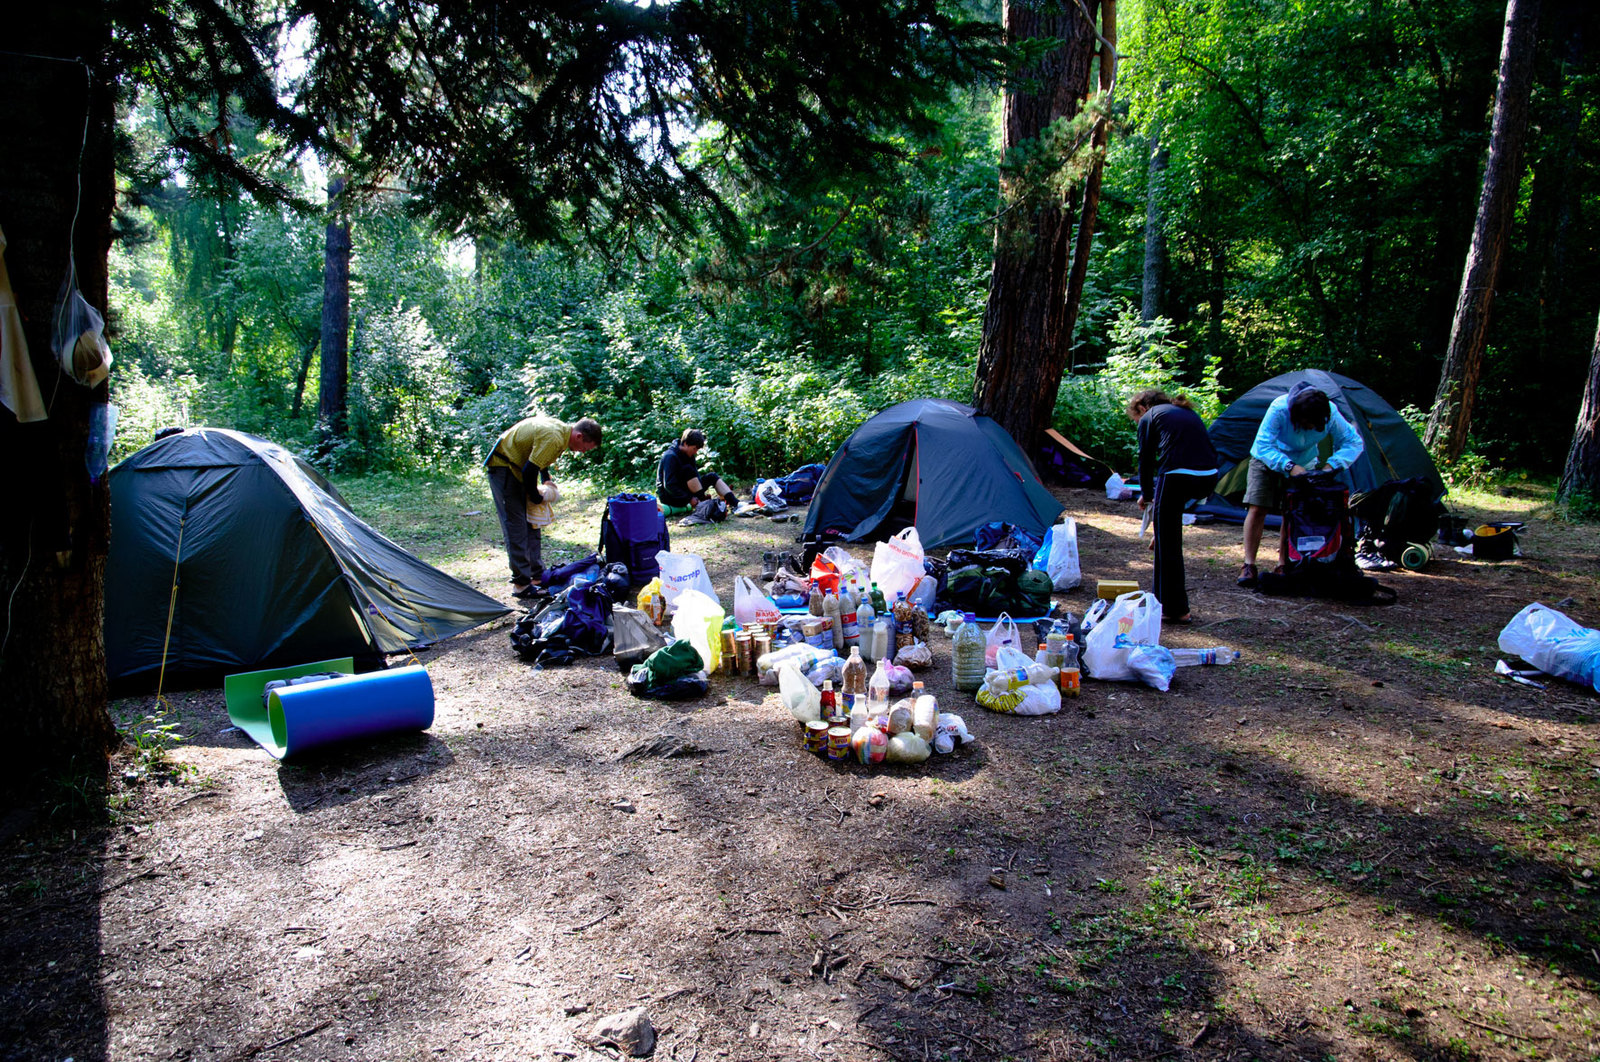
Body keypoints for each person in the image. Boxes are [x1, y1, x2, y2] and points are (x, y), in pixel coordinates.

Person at [1238, 381, 1363, 586]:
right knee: (1258, 507)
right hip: (1268, 459)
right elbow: (1263, 444)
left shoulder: (1330, 412)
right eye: (1306, 422)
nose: (1310, 427)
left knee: (1294, 512)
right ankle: (1249, 565)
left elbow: (1353, 442)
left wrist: (1331, 466)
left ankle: (1284, 563)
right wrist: (1288, 466)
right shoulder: (1279, 409)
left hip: (1305, 463)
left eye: (1314, 423)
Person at [485, 415, 602, 599]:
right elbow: (529, 470)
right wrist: (535, 496)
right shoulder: (555, 437)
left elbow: (538, 458)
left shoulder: (562, 432)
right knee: (516, 526)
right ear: (579, 436)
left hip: (518, 468)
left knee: (532, 523)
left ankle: (536, 576)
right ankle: (521, 585)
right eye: (585, 448)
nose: (583, 452)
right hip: (504, 468)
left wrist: (546, 479)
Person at [1129, 389, 1219, 625]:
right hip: (1209, 476)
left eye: (1136, 418)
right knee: (1167, 533)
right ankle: (1170, 604)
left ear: (1142, 409)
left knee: (1167, 548)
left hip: (1178, 476)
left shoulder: (1150, 417)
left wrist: (1147, 494)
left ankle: (1173, 609)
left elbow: (1146, 460)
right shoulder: (1183, 411)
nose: (1138, 422)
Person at [656, 429, 739, 516]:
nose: (695, 452)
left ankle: (735, 503)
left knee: (712, 476)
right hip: (670, 496)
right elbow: (669, 485)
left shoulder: (689, 455)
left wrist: (699, 493)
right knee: (688, 470)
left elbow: (696, 478)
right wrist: (689, 498)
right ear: (685, 444)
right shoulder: (670, 456)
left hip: (685, 490)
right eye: (694, 448)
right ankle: (703, 503)